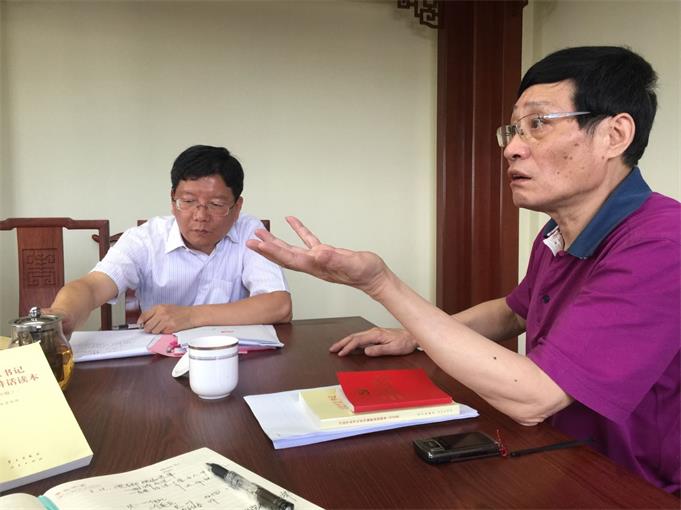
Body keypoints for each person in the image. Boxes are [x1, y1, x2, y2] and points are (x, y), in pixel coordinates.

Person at [246, 47, 680, 493]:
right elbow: (513, 311)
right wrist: (412, 335)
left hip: (633, 485)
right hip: (558, 454)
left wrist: (380, 283)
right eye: (513, 130)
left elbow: (536, 396)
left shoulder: (662, 241)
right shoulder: (557, 232)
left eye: (538, 124)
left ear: (614, 135)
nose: (512, 148)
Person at [49, 145, 291, 335]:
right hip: (160, 362)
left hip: (233, 359)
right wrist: (61, 314)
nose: (200, 215)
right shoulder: (146, 239)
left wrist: (191, 316)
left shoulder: (250, 232)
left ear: (236, 207)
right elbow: (92, 287)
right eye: (188, 201)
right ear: (173, 200)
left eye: (216, 204)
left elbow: (279, 306)